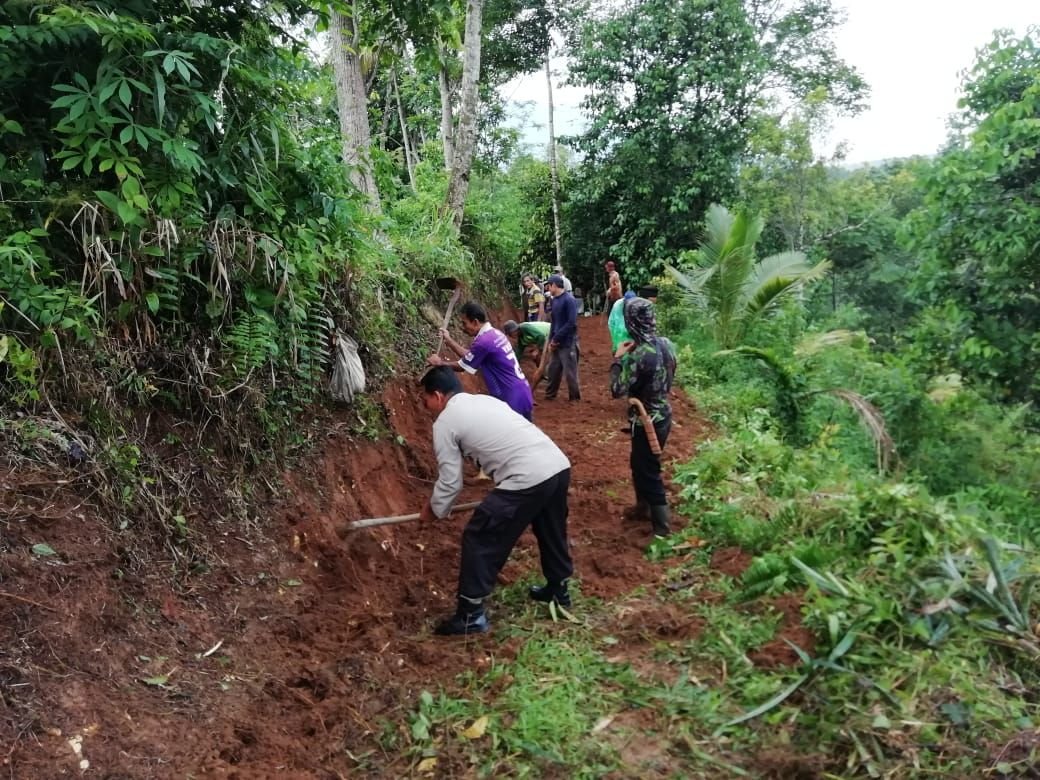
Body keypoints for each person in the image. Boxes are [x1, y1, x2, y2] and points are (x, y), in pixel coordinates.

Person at [418, 367, 574, 635]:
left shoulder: (445, 422)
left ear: (438, 396)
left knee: (480, 536)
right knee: (551, 528)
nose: (426, 407)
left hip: (527, 476)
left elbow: (450, 482)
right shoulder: (484, 400)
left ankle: (470, 615)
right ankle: (558, 591)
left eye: (426, 400)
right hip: (557, 466)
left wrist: (434, 509)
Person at [609, 297, 677, 539]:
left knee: (648, 470)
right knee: (639, 464)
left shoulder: (639, 356)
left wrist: (619, 358)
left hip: (647, 420)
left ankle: (662, 528)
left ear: (632, 321)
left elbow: (617, 389)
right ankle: (642, 508)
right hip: (663, 415)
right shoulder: (666, 344)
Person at [428, 301, 533, 421]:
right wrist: (449, 340)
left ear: (475, 322)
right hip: (522, 393)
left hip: (510, 399)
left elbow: (462, 366)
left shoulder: (483, 341)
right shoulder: (494, 334)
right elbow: (471, 356)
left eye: (464, 323)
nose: (463, 327)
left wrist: (439, 363)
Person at [543, 274, 581, 401]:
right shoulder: (554, 300)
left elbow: (571, 323)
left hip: (567, 342)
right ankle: (550, 395)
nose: (548, 289)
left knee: (570, 372)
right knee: (553, 370)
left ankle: (574, 398)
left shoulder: (569, 300)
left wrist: (556, 338)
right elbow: (554, 321)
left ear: (554, 285)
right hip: (556, 342)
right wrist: (551, 339)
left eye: (549, 286)